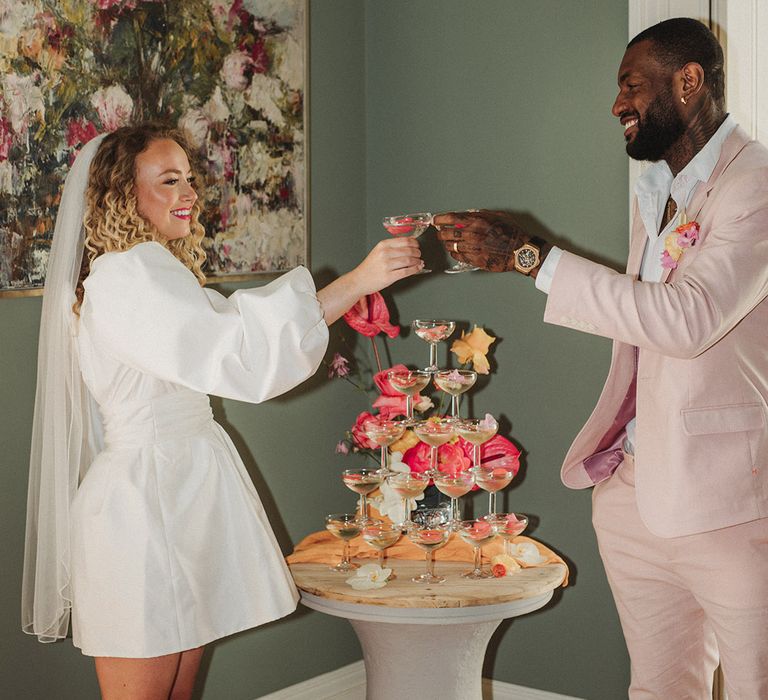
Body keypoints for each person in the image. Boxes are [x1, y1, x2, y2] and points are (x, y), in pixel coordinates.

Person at [22, 123, 423, 699]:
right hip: (145, 502)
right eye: (168, 180)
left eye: (189, 179)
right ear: (121, 193)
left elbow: (237, 331)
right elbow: (240, 352)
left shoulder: (150, 270)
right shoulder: (128, 273)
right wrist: (359, 279)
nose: (189, 193)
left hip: (181, 485)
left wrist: (356, 286)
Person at [435, 18, 768, 699]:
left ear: (690, 81)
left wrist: (531, 259)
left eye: (632, 86)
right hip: (631, 500)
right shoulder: (659, 193)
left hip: (732, 509)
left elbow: (688, 319)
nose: (618, 105)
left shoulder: (756, 186)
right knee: (657, 689)